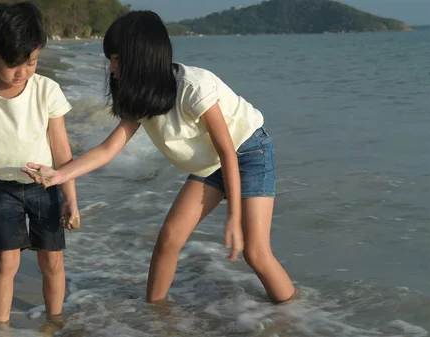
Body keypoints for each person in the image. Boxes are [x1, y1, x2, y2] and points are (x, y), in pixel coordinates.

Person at [22, 10, 295, 304]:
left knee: (255, 252)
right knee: (168, 238)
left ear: (140, 58)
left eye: (116, 59)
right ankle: (155, 314)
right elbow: (108, 149)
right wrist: (59, 175)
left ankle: (291, 315)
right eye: (110, 60)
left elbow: (228, 151)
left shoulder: (193, 86)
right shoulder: (142, 99)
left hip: (247, 151)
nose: (111, 69)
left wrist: (234, 217)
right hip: (211, 164)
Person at [0, 2, 80, 324]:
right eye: (12, 64)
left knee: (52, 263)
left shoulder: (47, 90)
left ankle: (55, 322)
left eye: (31, 62)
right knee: (5, 264)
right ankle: (1, 327)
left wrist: (71, 198)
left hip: (46, 186)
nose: (22, 73)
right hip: (3, 192)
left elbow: (61, 148)